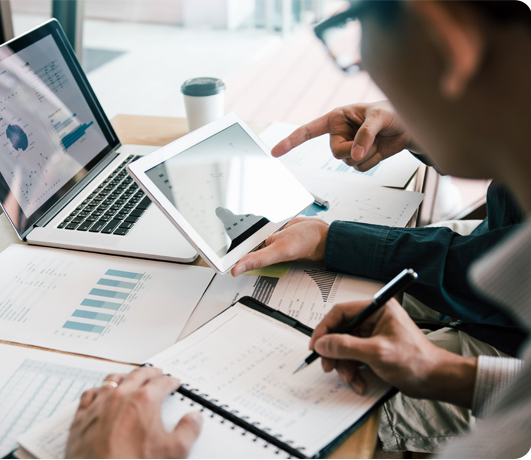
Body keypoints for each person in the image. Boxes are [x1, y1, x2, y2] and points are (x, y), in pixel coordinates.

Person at [66, 0, 531, 457]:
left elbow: (478, 272)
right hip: (496, 338)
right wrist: (439, 372)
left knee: (317, 408)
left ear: (447, 42)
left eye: (352, 18)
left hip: (501, 338)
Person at [230, 101, 525, 453]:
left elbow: (489, 275)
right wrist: (416, 132)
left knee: (303, 405)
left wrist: (331, 241)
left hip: (512, 350)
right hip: (492, 240)